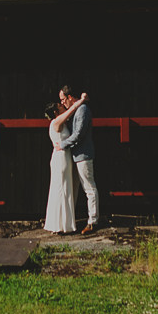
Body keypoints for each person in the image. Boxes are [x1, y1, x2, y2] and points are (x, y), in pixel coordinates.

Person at [53, 84, 100, 234]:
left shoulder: (83, 110)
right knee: (75, 189)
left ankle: (93, 221)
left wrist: (62, 145)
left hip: (83, 156)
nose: (61, 103)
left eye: (63, 99)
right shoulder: (76, 110)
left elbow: (79, 134)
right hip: (75, 156)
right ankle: (69, 221)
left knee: (89, 188)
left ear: (70, 97)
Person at [44, 91, 86, 233]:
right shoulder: (57, 122)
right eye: (59, 105)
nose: (62, 105)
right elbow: (72, 109)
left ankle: (60, 223)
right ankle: (61, 225)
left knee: (62, 189)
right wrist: (82, 100)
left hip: (62, 157)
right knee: (62, 189)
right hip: (61, 158)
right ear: (56, 112)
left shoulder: (57, 122)